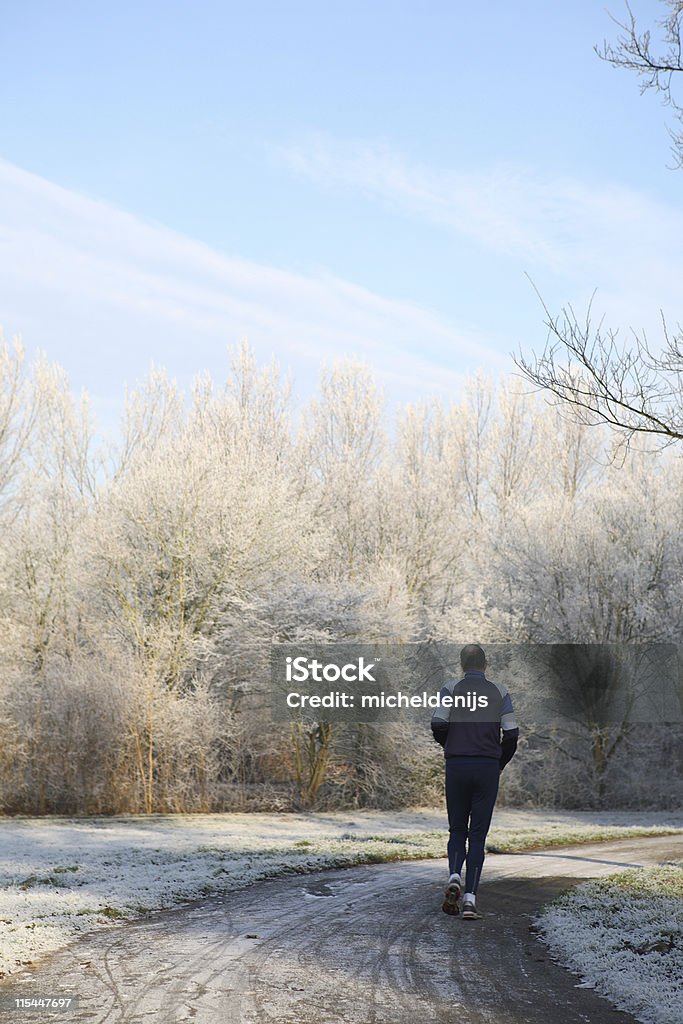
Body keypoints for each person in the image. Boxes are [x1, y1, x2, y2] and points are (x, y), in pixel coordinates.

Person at [430, 644, 518, 919]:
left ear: (461, 664)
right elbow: (512, 734)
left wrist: (453, 745)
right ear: (485, 664)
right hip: (486, 767)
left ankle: (455, 874)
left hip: (457, 765)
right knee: (478, 835)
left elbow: (437, 724)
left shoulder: (449, 689)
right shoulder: (499, 691)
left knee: (457, 830)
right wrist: (498, 763)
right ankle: (469, 900)